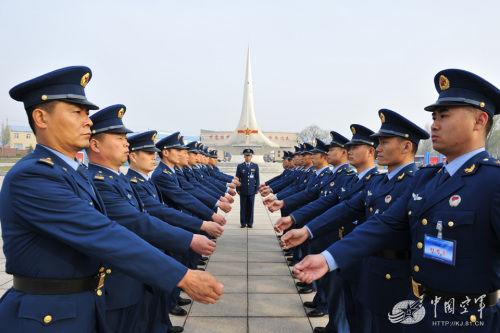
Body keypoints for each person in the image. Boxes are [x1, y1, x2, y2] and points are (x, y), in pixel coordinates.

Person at [0, 66, 223, 332]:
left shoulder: (75, 172)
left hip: (81, 305)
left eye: (87, 113)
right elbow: (101, 232)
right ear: (41, 117)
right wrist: (181, 274)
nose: (88, 121)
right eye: (77, 112)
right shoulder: (34, 176)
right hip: (47, 316)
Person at [293, 69, 500, 332]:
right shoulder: (427, 179)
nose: (434, 124)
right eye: (434, 116)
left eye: (444, 116)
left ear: (479, 121)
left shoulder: (493, 182)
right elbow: (386, 223)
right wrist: (328, 258)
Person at [283, 109, 429, 332]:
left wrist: (326, 255)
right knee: (357, 320)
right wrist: (307, 229)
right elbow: (346, 207)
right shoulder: (379, 182)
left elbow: (383, 225)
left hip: (395, 277)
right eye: (377, 143)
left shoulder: (416, 182)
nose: (377, 148)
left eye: (383, 142)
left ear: (406, 146)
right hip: (365, 266)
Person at [236, 148, 260, 228]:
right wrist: (238, 189)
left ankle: (250, 223)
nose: (248, 157)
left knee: (251, 207)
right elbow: (237, 179)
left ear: (251, 156)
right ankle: (243, 223)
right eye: (246, 156)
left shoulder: (255, 166)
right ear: (244, 156)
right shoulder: (240, 166)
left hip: (251, 190)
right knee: (243, 207)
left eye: (249, 156)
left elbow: (257, 178)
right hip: (243, 190)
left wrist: (257, 189)